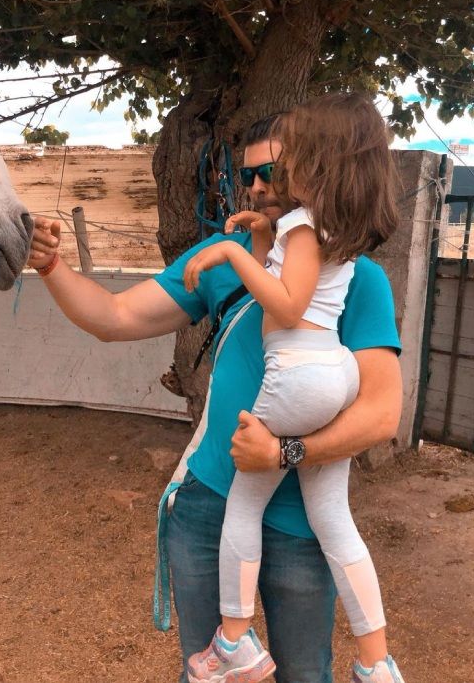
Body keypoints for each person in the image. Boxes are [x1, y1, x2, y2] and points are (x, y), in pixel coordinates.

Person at [27, 111, 403, 683]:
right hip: (208, 506)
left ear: (310, 171)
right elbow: (114, 316)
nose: (255, 187)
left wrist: (284, 454)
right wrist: (50, 265)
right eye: (245, 175)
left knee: (303, 676)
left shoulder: (357, 276)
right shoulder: (229, 254)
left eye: (272, 171)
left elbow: (381, 414)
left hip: (304, 522)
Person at [181, 94, 404, 683]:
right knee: (333, 517)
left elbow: (284, 302)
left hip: (298, 375)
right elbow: (287, 286)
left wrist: (230, 250)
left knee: (243, 503)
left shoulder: (303, 226)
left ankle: (233, 643)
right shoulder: (336, 229)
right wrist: (260, 243)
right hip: (334, 375)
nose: (273, 174)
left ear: (319, 161)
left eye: (293, 153)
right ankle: (376, 661)